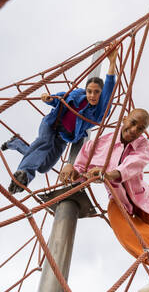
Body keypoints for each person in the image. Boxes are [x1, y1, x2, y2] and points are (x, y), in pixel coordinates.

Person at [60, 108, 149, 292]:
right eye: (133, 122)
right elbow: (80, 168)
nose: (135, 129)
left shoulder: (142, 145)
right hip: (117, 197)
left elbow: (133, 165)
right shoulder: (99, 143)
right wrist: (71, 168)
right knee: (123, 227)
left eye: (141, 128)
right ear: (125, 118)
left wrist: (108, 174)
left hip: (139, 195)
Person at [1, 43, 118, 194]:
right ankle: (23, 175)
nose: (92, 95)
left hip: (64, 137)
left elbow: (109, 87)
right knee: (44, 144)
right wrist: (49, 99)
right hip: (51, 124)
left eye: (96, 92)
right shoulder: (77, 94)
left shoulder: (98, 111)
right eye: (89, 91)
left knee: (44, 166)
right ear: (85, 90)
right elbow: (60, 98)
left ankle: (15, 143)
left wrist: (112, 62)